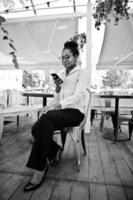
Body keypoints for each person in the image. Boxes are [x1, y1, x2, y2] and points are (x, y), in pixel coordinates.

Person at [24, 40, 89, 192]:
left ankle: (39, 169)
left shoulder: (82, 73)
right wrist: (58, 89)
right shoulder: (61, 74)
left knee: (46, 119)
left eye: (68, 57)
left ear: (76, 57)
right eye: (62, 57)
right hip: (62, 111)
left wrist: (60, 105)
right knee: (35, 129)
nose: (65, 60)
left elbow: (79, 95)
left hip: (75, 112)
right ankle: (55, 150)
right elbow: (58, 97)